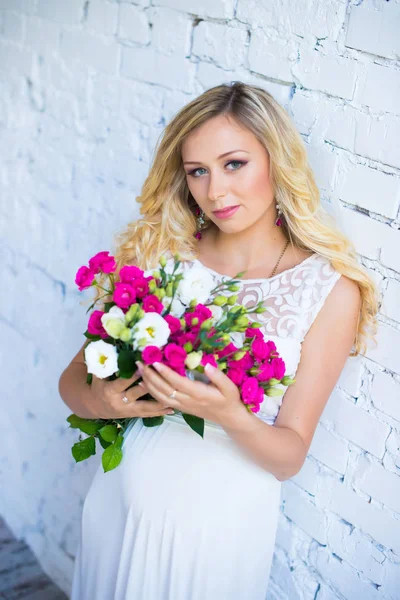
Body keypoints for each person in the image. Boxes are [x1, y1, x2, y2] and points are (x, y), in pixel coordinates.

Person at [59, 81, 379, 600]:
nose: (216, 191)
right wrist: (100, 400)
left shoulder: (328, 289)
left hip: (218, 525)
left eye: (235, 164)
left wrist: (230, 413)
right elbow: (71, 381)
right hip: (120, 502)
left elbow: (288, 457)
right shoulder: (161, 254)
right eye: (198, 172)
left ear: (276, 160)